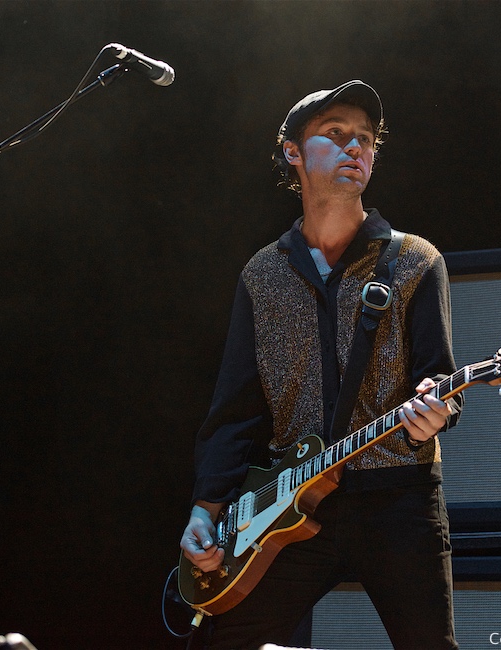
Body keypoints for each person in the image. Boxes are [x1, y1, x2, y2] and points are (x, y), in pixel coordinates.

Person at [180, 80, 463, 649]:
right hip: (292, 503)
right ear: (292, 151)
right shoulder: (262, 275)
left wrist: (440, 407)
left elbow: (440, 379)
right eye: (335, 135)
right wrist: (206, 510)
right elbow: (236, 409)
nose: (355, 147)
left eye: (366, 139)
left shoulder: (414, 260)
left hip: (398, 498)